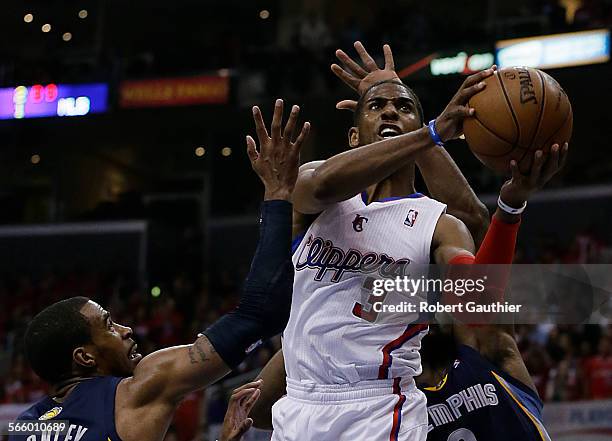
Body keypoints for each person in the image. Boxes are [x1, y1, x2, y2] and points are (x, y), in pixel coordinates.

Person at [247, 42, 568, 440]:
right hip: (299, 408)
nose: (389, 111)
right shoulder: (315, 196)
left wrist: (512, 205)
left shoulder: (439, 223)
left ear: (417, 129)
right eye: (375, 106)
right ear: (352, 135)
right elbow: (321, 182)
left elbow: (477, 299)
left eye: (403, 108)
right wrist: (428, 131)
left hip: (381, 411)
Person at [8, 104, 310, 441]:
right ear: (85, 356)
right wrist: (278, 195)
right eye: (108, 325)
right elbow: (260, 312)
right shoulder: (136, 391)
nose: (125, 329)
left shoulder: (25, 425)